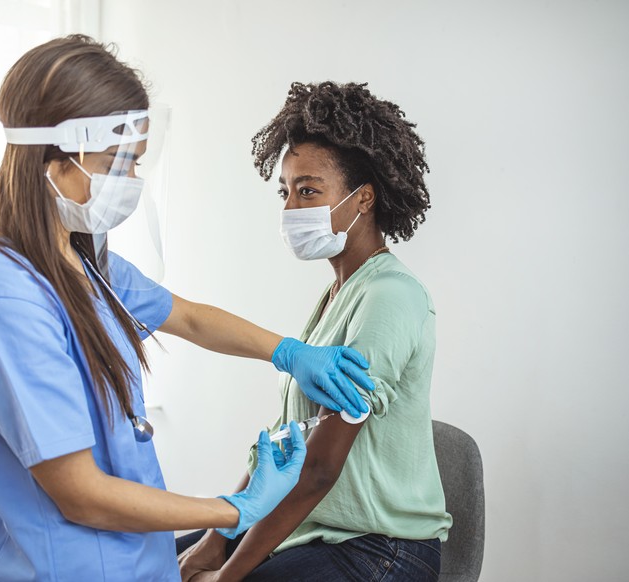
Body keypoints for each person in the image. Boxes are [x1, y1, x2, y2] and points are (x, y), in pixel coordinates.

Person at [0, 38, 378, 582]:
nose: (130, 182)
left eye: (136, 164)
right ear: (56, 157)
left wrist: (288, 352)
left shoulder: (80, 258)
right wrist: (234, 510)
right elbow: (81, 495)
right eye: (118, 164)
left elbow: (186, 317)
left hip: (139, 561)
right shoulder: (2, 299)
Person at [176, 82, 453, 582]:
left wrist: (227, 574)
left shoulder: (390, 295)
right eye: (285, 191)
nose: (290, 209)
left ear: (363, 198)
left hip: (381, 549)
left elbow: (321, 467)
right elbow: (289, 442)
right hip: (318, 530)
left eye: (308, 190)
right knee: (146, 559)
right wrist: (215, 539)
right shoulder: (335, 298)